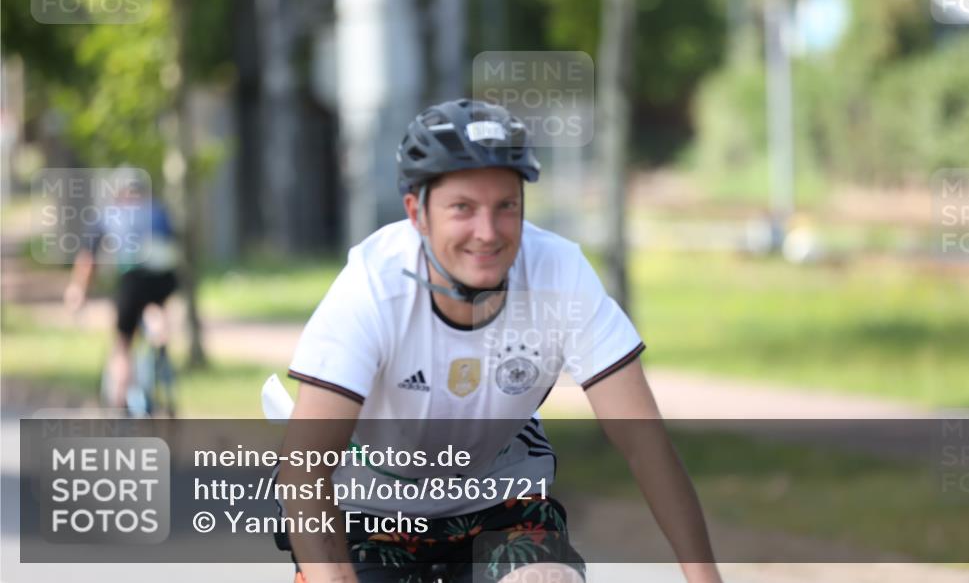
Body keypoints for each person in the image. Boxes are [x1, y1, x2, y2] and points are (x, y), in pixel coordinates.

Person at [279, 99, 724, 583]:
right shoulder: (372, 288)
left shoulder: (559, 272)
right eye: (463, 208)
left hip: (499, 502)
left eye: (506, 206)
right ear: (417, 212)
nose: (487, 233)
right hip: (368, 509)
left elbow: (645, 444)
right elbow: (304, 470)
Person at [63, 168, 179, 410]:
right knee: (154, 308)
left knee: (122, 344)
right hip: (164, 277)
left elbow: (88, 259)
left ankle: (118, 402)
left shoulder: (109, 214)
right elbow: (173, 249)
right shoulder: (158, 210)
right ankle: (158, 332)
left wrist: (78, 291)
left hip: (132, 278)